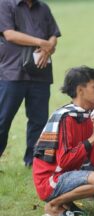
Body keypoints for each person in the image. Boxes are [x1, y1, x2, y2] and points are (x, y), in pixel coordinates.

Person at [32, 66, 94, 216]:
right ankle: (54, 205)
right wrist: (92, 138)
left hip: (67, 173)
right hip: (50, 180)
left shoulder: (87, 114)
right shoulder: (66, 118)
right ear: (80, 90)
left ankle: (68, 203)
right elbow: (65, 160)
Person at [0, 0, 61, 167]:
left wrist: (49, 46)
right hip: (12, 73)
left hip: (41, 73)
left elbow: (53, 34)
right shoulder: (5, 4)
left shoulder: (43, 7)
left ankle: (35, 163)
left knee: (39, 121)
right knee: (2, 120)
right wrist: (41, 43)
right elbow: (9, 34)